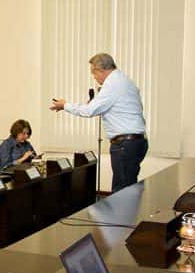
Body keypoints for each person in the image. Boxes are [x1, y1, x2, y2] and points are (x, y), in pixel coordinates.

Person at [50, 53, 147, 191]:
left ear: (100, 69)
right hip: (136, 142)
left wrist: (65, 105)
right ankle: (129, 212)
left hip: (125, 145)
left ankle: (122, 213)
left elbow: (89, 111)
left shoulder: (112, 84)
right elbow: (121, 108)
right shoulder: (125, 81)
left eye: (93, 73)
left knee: (121, 192)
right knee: (129, 188)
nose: (94, 77)